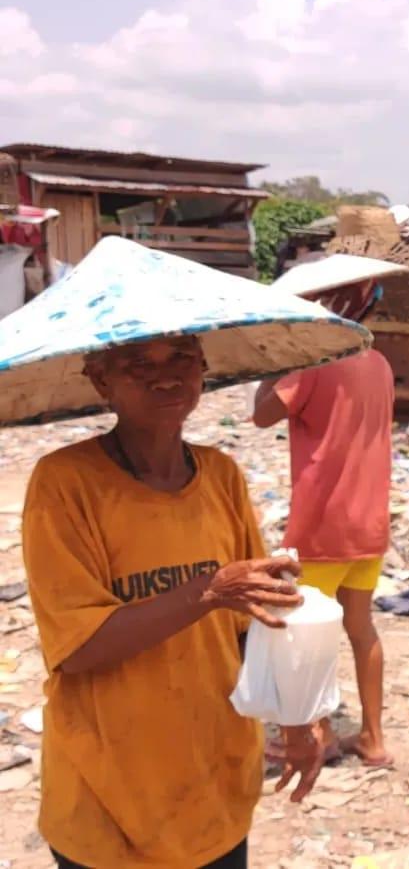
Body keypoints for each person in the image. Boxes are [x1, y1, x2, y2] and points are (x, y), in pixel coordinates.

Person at [23, 335, 325, 869]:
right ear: (100, 382)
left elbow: (257, 620)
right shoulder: (66, 483)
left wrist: (299, 719)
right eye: (138, 363)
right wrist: (208, 592)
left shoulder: (221, 475)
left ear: (203, 369)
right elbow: (79, 648)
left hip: (214, 780)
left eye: (181, 359)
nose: (165, 377)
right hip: (109, 799)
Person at [254, 276, 396, 766]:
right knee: (361, 627)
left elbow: (261, 414)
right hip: (369, 522)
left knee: (303, 633)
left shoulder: (313, 364)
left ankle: (318, 735)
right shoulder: (379, 364)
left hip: (322, 524)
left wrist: (274, 358)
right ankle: (373, 738)